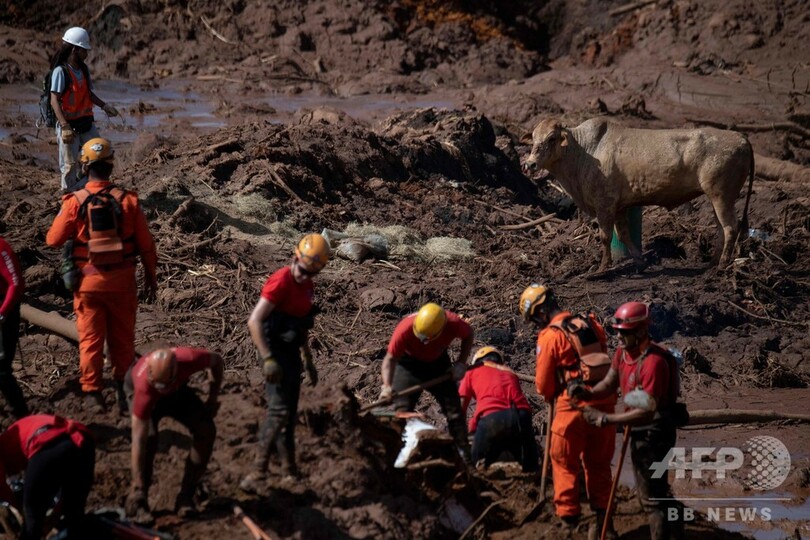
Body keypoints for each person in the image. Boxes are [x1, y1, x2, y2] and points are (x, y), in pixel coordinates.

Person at [46, 138, 157, 413]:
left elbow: (53, 240)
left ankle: (93, 393)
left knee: (91, 341)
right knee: (123, 340)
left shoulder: (75, 201)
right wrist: (151, 278)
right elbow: (147, 246)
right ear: (111, 164)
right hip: (123, 283)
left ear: (85, 167)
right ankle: (123, 393)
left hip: (88, 284)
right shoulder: (128, 200)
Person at [578, 302, 685, 540]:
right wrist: (589, 393)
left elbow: (647, 410)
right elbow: (610, 381)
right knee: (652, 491)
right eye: (617, 330)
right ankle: (676, 523)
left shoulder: (654, 363)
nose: (618, 336)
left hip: (655, 434)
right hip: (639, 430)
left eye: (624, 332)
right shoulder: (622, 354)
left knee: (651, 499)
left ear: (640, 331)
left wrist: (607, 419)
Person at [520, 283, 617, 538]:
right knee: (599, 465)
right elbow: (602, 356)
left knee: (563, 462)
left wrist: (553, 391)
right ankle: (604, 525)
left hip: (571, 408)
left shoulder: (550, 336)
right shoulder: (590, 323)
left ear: (540, 313)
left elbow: (542, 385)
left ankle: (568, 523)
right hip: (605, 404)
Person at [240, 234, 327, 491]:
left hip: (290, 351)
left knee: (288, 414)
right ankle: (257, 473)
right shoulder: (280, 281)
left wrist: (308, 358)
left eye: (310, 273)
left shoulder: (307, 286)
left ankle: (289, 472)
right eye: (301, 269)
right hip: (273, 350)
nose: (303, 275)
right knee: (277, 411)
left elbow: (300, 326)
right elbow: (254, 321)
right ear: (295, 258)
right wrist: (267, 359)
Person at [123, 347, 223, 520]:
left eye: (164, 387)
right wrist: (137, 482)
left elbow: (217, 361)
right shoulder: (143, 387)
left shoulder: (191, 358)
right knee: (149, 439)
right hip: (148, 393)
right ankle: (139, 499)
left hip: (176, 391)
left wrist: (212, 398)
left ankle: (186, 496)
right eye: (159, 387)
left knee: (206, 430)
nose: (161, 391)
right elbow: (138, 439)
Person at [380, 302, 474, 463]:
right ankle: (395, 457)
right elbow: (390, 359)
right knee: (401, 412)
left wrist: (460, 363)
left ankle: (464, 455)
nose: (422, 340)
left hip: (438, 364)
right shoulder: (405, 328)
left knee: (454, 411)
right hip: (408, 365)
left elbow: (469, 335)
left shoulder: (453, 323)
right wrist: (387, 387)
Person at [0, 414, 95, 539]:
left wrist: (22, 509)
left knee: (32, 518)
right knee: (74, 513)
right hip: (84, 441)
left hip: (49, 442)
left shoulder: (5, 444)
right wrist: (52, 519)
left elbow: (2, 488)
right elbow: (69, 497)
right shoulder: (18, 434)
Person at [49, 26, 120, 191]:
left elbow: (88, 93)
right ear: (74, 49)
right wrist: (65, 127)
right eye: (84, 50)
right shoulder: (61, 72)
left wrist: (105, 106)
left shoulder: (83, 70)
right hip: (69, 126)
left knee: (99, 153)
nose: (87, 54)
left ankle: (87, 187)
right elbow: (54, 101)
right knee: (69, 165)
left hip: (86, 123)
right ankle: (68, 197)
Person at [458, 346, 539, 472]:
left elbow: (460, 409)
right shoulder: (509, 372)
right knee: (530, 465)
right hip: (522, 416)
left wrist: (461, 433)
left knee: (473, 463)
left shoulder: (472, 371)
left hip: (492, 417)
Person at [0, 235, 29, 418]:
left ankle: (21, 414)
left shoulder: (2, 247)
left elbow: (15, 282)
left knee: (1, 369)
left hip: (5, 311)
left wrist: (2, 312)